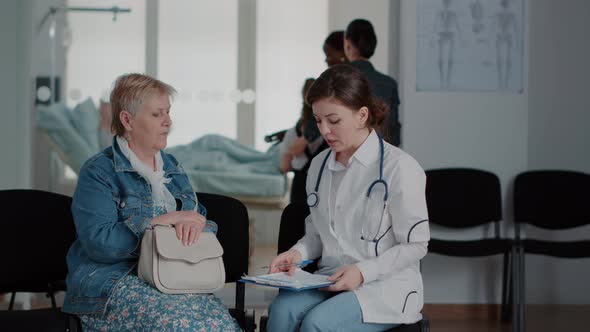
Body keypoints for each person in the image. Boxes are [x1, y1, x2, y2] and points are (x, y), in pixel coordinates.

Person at [62, 73, 241, 331]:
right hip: (114, 282)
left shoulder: (173, 168)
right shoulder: (98, 172)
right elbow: (99, 243)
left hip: (174, 276)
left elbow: (198, 222)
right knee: (184, 325)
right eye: (157, 114)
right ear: (128, 120)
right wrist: (159, 223)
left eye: (168, 112)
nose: (168, 122)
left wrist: (201, 222)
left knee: (221, 325)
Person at [266, 65, 430, 332]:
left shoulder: (400, 168)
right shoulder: (319, 166)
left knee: (317, 324)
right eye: (318, 121)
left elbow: (416, 245)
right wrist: (296, 254)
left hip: (383, 287)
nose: (325, 131)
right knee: (281, 311)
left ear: (362, 115)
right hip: (329, 279)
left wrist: (363, 271)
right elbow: (317, 234)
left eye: (334, 120)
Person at [344, 19, 401, 147]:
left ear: (347, 44)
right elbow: (393, 131)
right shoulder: (389, 84)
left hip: (345, 159)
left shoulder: (337, 79)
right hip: (382, 158)